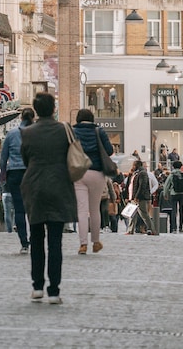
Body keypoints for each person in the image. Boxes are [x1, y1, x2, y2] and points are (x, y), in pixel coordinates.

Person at [20, 92, 77, 304]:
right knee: (55, 242)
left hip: (34, 187)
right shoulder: (64, 130)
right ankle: (54, 290)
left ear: (36, 109)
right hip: (58, 186)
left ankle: (37, 287)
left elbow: (26, 158)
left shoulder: (27, 132)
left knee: (36, 239)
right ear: (53, 108)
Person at [71, 109, 114, 255]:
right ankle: (96, 242)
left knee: (82, 210)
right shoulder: (99, 131)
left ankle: (83, 244)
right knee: (95, 209)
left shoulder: (72, 131)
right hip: (96, 172)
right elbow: (109, 150)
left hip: (79, 171)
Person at [0, 108, 35, 254]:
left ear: (21, 117)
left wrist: (3, 174)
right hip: (32, 173)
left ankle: (24, 243)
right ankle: (34, 238)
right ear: (33, 117)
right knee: (33, 209)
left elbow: (3, 157)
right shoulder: (35, 133)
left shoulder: (12, 134)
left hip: (14, 173)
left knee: (19, 209)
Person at [127, 159, 156, 235]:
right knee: (132, 214)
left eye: (133, 165)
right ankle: (130, 230)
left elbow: (142, 186)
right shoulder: (136, 173)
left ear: (137, 166)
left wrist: (137, 196)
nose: (132, 167)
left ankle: (151, 229)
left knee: (144, 214)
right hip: (134, 197)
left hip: (140, 197)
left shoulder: (142, 173)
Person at [162, 160, 183, 232]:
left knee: (174, 210)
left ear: (173, 166)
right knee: (181, 210)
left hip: (174, 194)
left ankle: (174, 227)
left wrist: (165, 194)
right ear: (181, 166)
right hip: (182, 194)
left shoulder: (171, 175)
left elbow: (166, 186)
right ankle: (181, 227)